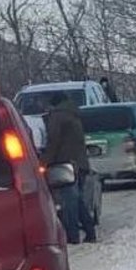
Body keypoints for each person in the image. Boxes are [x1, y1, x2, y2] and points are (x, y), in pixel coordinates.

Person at [42, 92, 95, 244]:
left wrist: (43, 162)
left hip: (66, 165)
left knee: (69, 201)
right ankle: (89, 230)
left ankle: (73, 236)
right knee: (76, 199)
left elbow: (53, 142)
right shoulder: (73, 114)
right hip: (80, 163)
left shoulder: (57, 117)